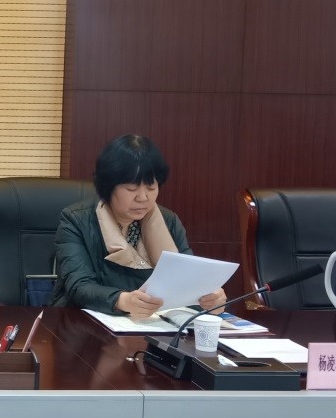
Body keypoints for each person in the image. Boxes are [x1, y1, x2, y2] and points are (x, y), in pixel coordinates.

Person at [48, 134, 227, 318]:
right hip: (85, 323)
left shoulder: (169, 221)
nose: (143, 198)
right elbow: (79, 286)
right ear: (108, 186)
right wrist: (123, 301)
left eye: (151, 187)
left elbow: (189, 280)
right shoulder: (77, 220)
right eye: (131, 189)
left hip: (154, 324)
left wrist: (210, 299)